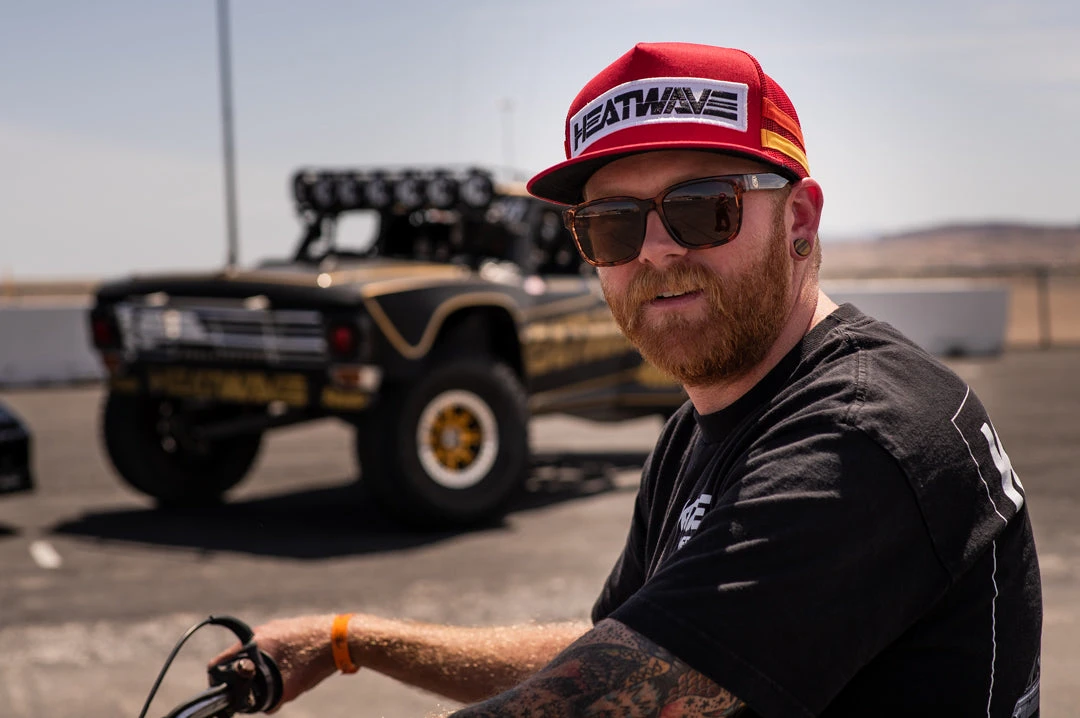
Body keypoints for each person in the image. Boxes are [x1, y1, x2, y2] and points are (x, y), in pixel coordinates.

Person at [211, 42, 1042, 717]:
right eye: (611, 225)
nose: (654, 252)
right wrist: (350, 640)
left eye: (702, 209)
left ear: (798, 219)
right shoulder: (700, 428)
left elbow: (607, 702)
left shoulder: (862, 438)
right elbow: (620, 656)